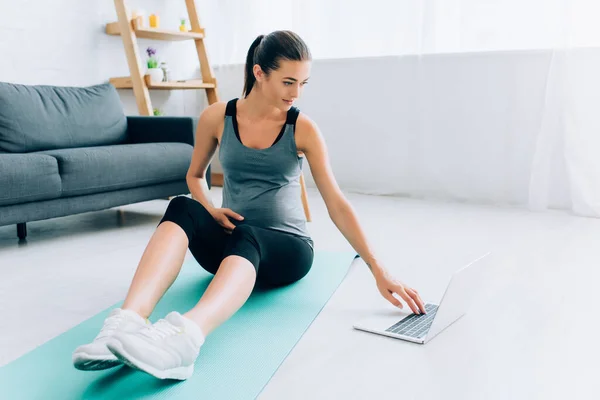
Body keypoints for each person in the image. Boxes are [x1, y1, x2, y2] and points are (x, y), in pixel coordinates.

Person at [72, 30, 427, 380]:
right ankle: (125, 324)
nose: (297, 92)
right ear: (259, 72)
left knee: (251, 235)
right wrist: (210, 210)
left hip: (287, 250)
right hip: (232, 246)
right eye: (288, 82)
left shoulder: (302, 128)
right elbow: (195, 175)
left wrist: (378, 268)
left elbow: (335, 202)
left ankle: (186, 340)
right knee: (182, 207)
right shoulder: (217, 117)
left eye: (303, 83)